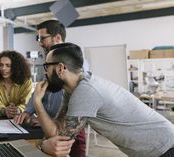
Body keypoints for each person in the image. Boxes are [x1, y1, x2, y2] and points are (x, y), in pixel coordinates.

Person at [33, 42, 174, 157]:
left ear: (60, 69)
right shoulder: (72, 89)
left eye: (46, 66)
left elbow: (59, 141)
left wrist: (37, 103)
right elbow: (57, 128)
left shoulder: (86, 91)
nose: (45, 72)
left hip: (165, 147)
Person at [14, 20, 87, 157]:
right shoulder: (50, 63)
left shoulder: (78, 68)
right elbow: (40, 91)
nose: (40, 42)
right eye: (38, 38)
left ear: (57, 38)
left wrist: (42, 114)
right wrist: (30, 112)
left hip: (68, 128)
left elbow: (61, 128)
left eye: (42, 38)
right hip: (50, 124)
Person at [0, 50, 32, 118]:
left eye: (8, 65)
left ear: (16, 67)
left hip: (21, 118)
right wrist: (4, 111)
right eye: (1, 65)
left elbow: (27, 103)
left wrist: (18, 110)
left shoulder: (26, 81)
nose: (3, 68)